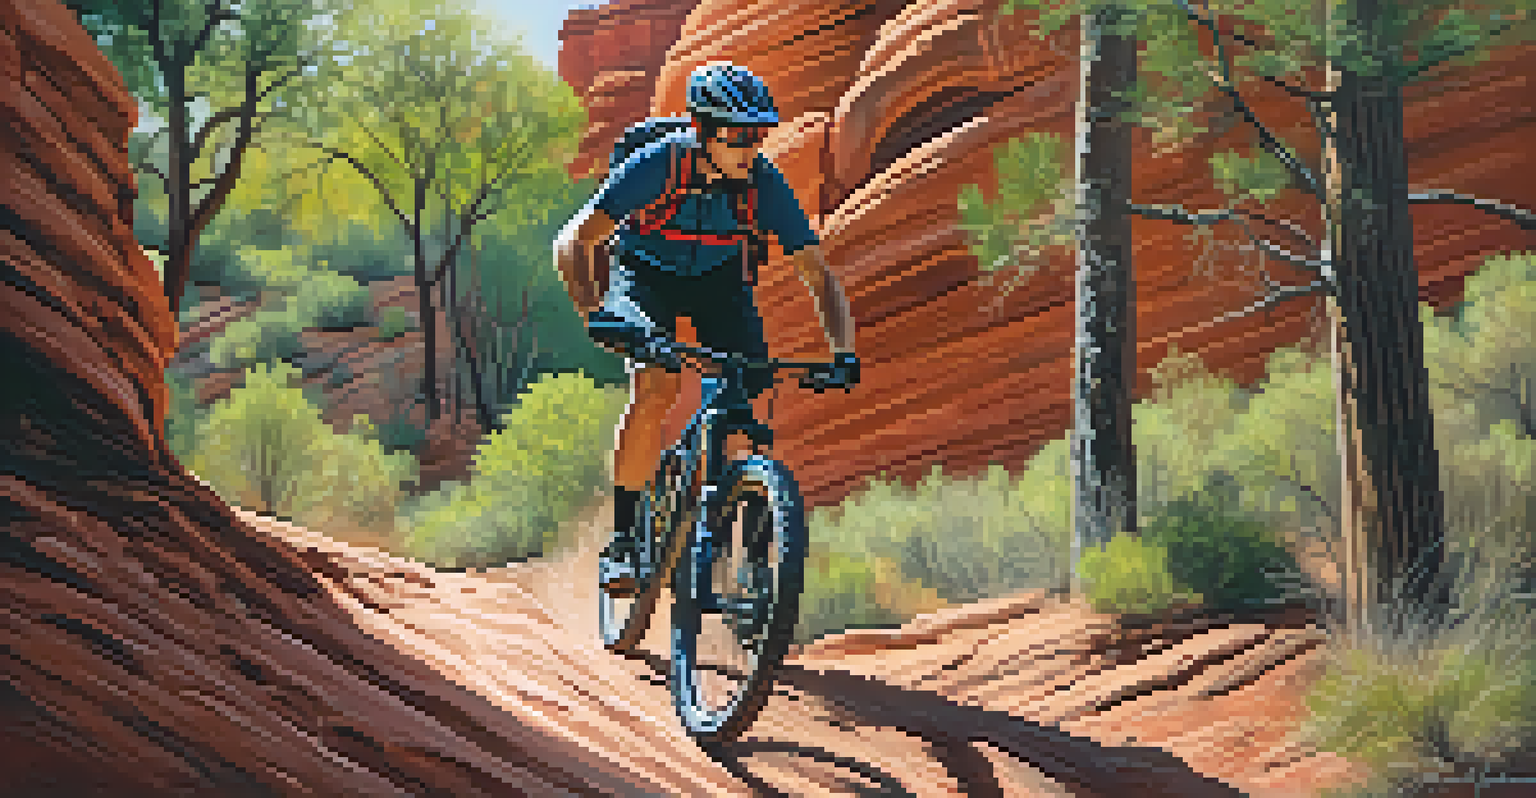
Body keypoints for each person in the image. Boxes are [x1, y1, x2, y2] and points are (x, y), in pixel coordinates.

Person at [553, 63, 860, 591]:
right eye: (738, 136)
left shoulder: (763, 183)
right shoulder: (658, 166)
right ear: (703, 132)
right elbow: (573, 242)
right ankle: (624, 540)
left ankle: (742, 525)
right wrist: (593, 314)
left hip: (720, 284)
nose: (751, 147)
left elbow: (817, 272)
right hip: (645, 278)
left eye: (758, 135)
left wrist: (843, 351)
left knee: (750, 390)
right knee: (658, 385)